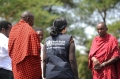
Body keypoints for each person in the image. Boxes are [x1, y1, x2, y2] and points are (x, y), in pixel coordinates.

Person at [8, 11, 42, 79]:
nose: (33, 22)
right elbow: (36, 52)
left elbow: (10, 47)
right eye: (33, 20)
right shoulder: (30, 31)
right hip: (28, 67)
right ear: (28, 19)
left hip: (16, 66)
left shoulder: (14, 29)